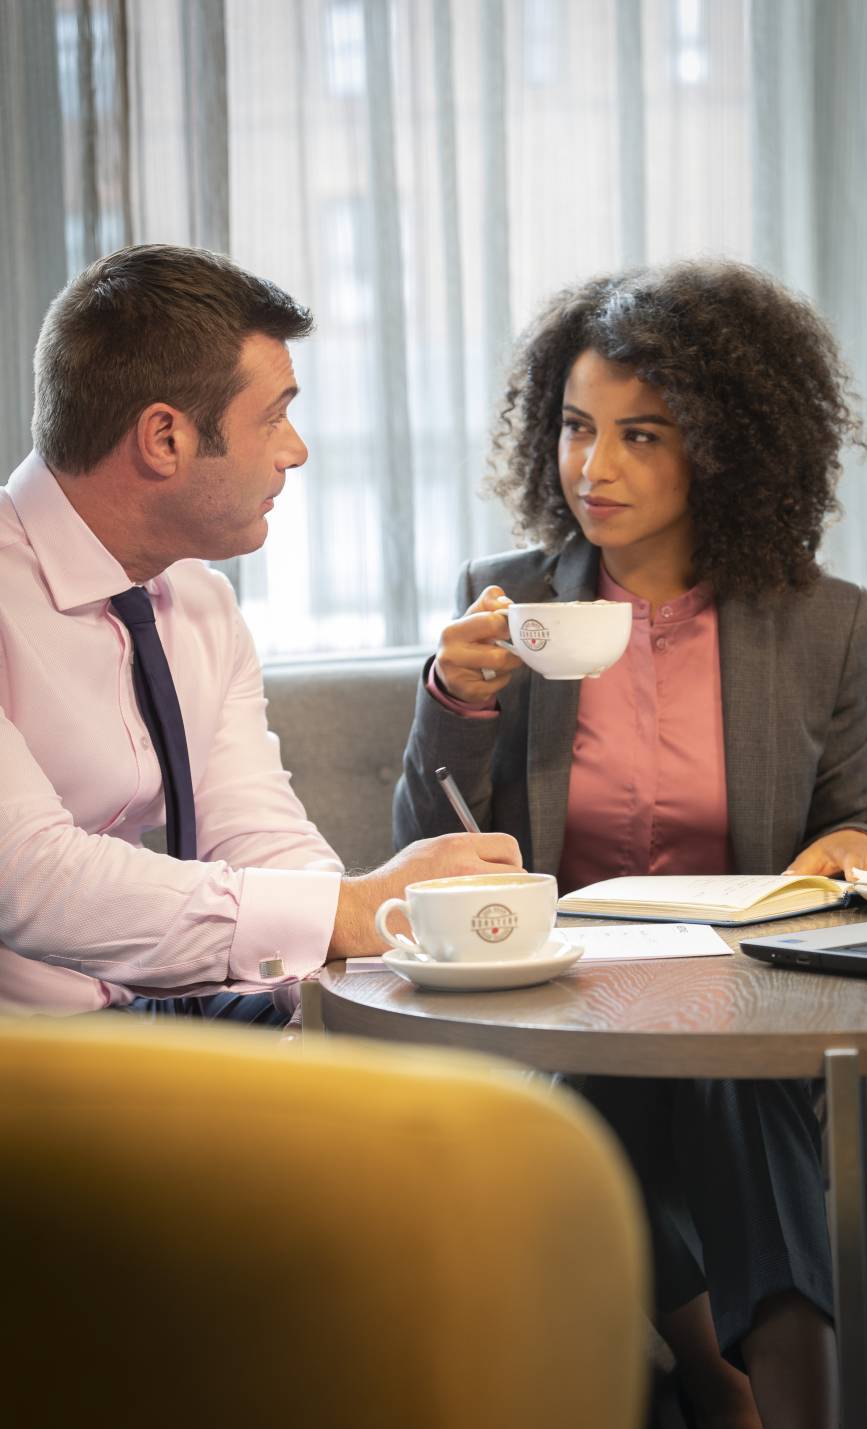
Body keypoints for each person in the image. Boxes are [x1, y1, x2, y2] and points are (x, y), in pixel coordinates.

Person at [394, 262, 867, 1429]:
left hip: (740, 989)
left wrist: (855, 851)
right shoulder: (510, 600)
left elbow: (853, 822)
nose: (596, 468)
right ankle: (718, 1386)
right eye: (578, 428)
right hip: (561, 991)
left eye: (641, 435)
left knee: (737, 1083)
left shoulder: (816, 620)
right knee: (614, 1080)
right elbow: (426, 842)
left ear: (723, 449)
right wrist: (452, 702)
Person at [0, 243, 520, 1022]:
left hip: (171, 1020)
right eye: (274, 416)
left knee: (444, 1059)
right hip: (38, 1058)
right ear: (165, 438)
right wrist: (349, 911)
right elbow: (29, 880)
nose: (297, 450)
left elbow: (255, 831)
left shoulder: (200, 603)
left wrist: (352, 959)